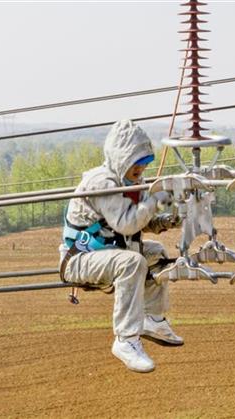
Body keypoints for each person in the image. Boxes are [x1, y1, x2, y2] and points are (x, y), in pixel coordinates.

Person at [59, 119, 181, 373]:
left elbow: (138, 220)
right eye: (137, 163)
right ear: (122, 158)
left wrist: (164, 221)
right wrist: (155, 201)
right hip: (81, 259)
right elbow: (126, 223)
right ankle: (126, 340)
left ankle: (153, 320)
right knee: (133, 262)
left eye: (144, 163)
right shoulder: (102, 183)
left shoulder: (129, 182)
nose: (141, 169)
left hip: (110, 252)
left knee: (156, 253)